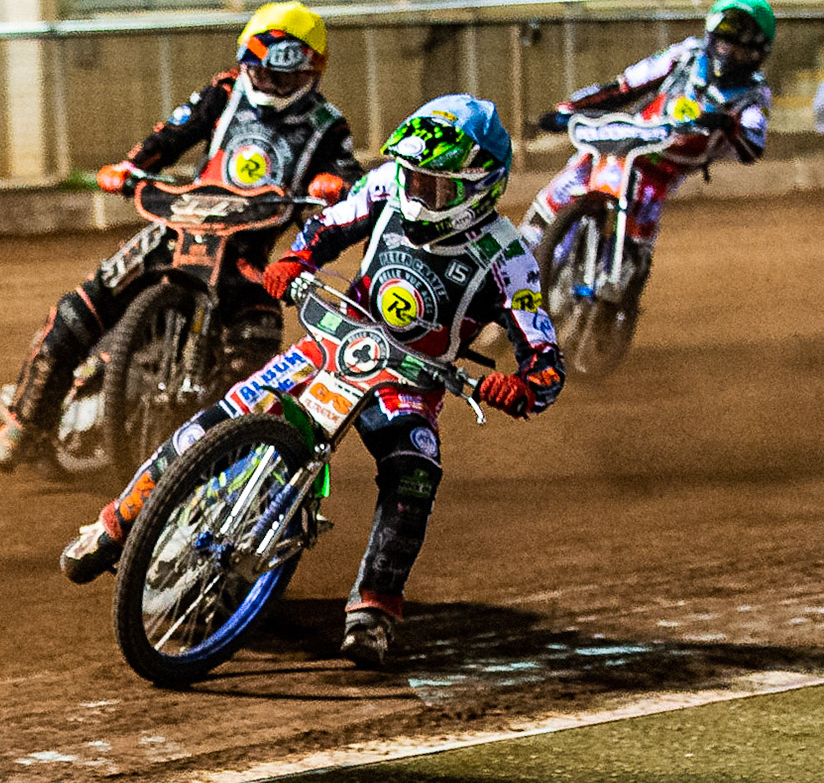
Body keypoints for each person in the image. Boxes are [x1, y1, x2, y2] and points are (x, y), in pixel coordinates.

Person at [60, 96, 565, 669]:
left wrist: (523, 386)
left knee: (414, 473)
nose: (420, 193)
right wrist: (296, 261)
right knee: (216, 420)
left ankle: (374, 607)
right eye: (416, 177)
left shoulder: (509, 257)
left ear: (483, 187)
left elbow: (545, 355)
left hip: (410, 382)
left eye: (438, 186)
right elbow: (329, 224)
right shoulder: (389, 187)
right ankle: (117, 522)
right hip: (333, 340)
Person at [0, 1, 363, 473]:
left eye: (279, 77)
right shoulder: (225, 91)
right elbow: (172, 133)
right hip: (178, 226)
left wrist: (335, 183)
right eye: (258, 72)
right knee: (80, 307)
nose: (266, 84)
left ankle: (224, 465)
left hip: (246, 253)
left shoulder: (329, 124)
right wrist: (132, 166)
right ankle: (27, 421)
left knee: (256, 354)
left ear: (310, 70)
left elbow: (346, 172)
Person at [521, 0, 774, 255]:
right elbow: (625, 86)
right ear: (712, 38)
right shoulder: (685, 55)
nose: (730, 54)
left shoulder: (754, 94)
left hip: (667, 165)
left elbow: (753, 144)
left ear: (758, 53)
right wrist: (570, 110)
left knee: (638, 238)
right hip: (633, 136)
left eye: (741, 50)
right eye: (725, 45)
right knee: (567, 183)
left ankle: (624, 270)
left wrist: (728, 123)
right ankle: (523, 249)